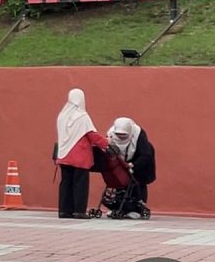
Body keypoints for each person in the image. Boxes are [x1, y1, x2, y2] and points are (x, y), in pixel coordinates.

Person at [53, 88, 110, 219]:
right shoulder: (82, 116)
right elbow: (92, 135)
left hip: (64, 154)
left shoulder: (62, 115)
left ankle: (64, 211)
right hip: (80, 157)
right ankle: (79, 211)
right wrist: (107, 143)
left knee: (65, 184)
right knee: (80, 184)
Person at [107, 117, 156, 207]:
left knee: (138, 182)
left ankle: (138, 206)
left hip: (139, 160)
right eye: (118, 134)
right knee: (120, 180)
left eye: (124, 135)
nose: (121, 137)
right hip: (122, 161)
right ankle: (120, 206)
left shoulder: (138, 134)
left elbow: (145, 154)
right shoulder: (110, 135)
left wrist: (134, 165)